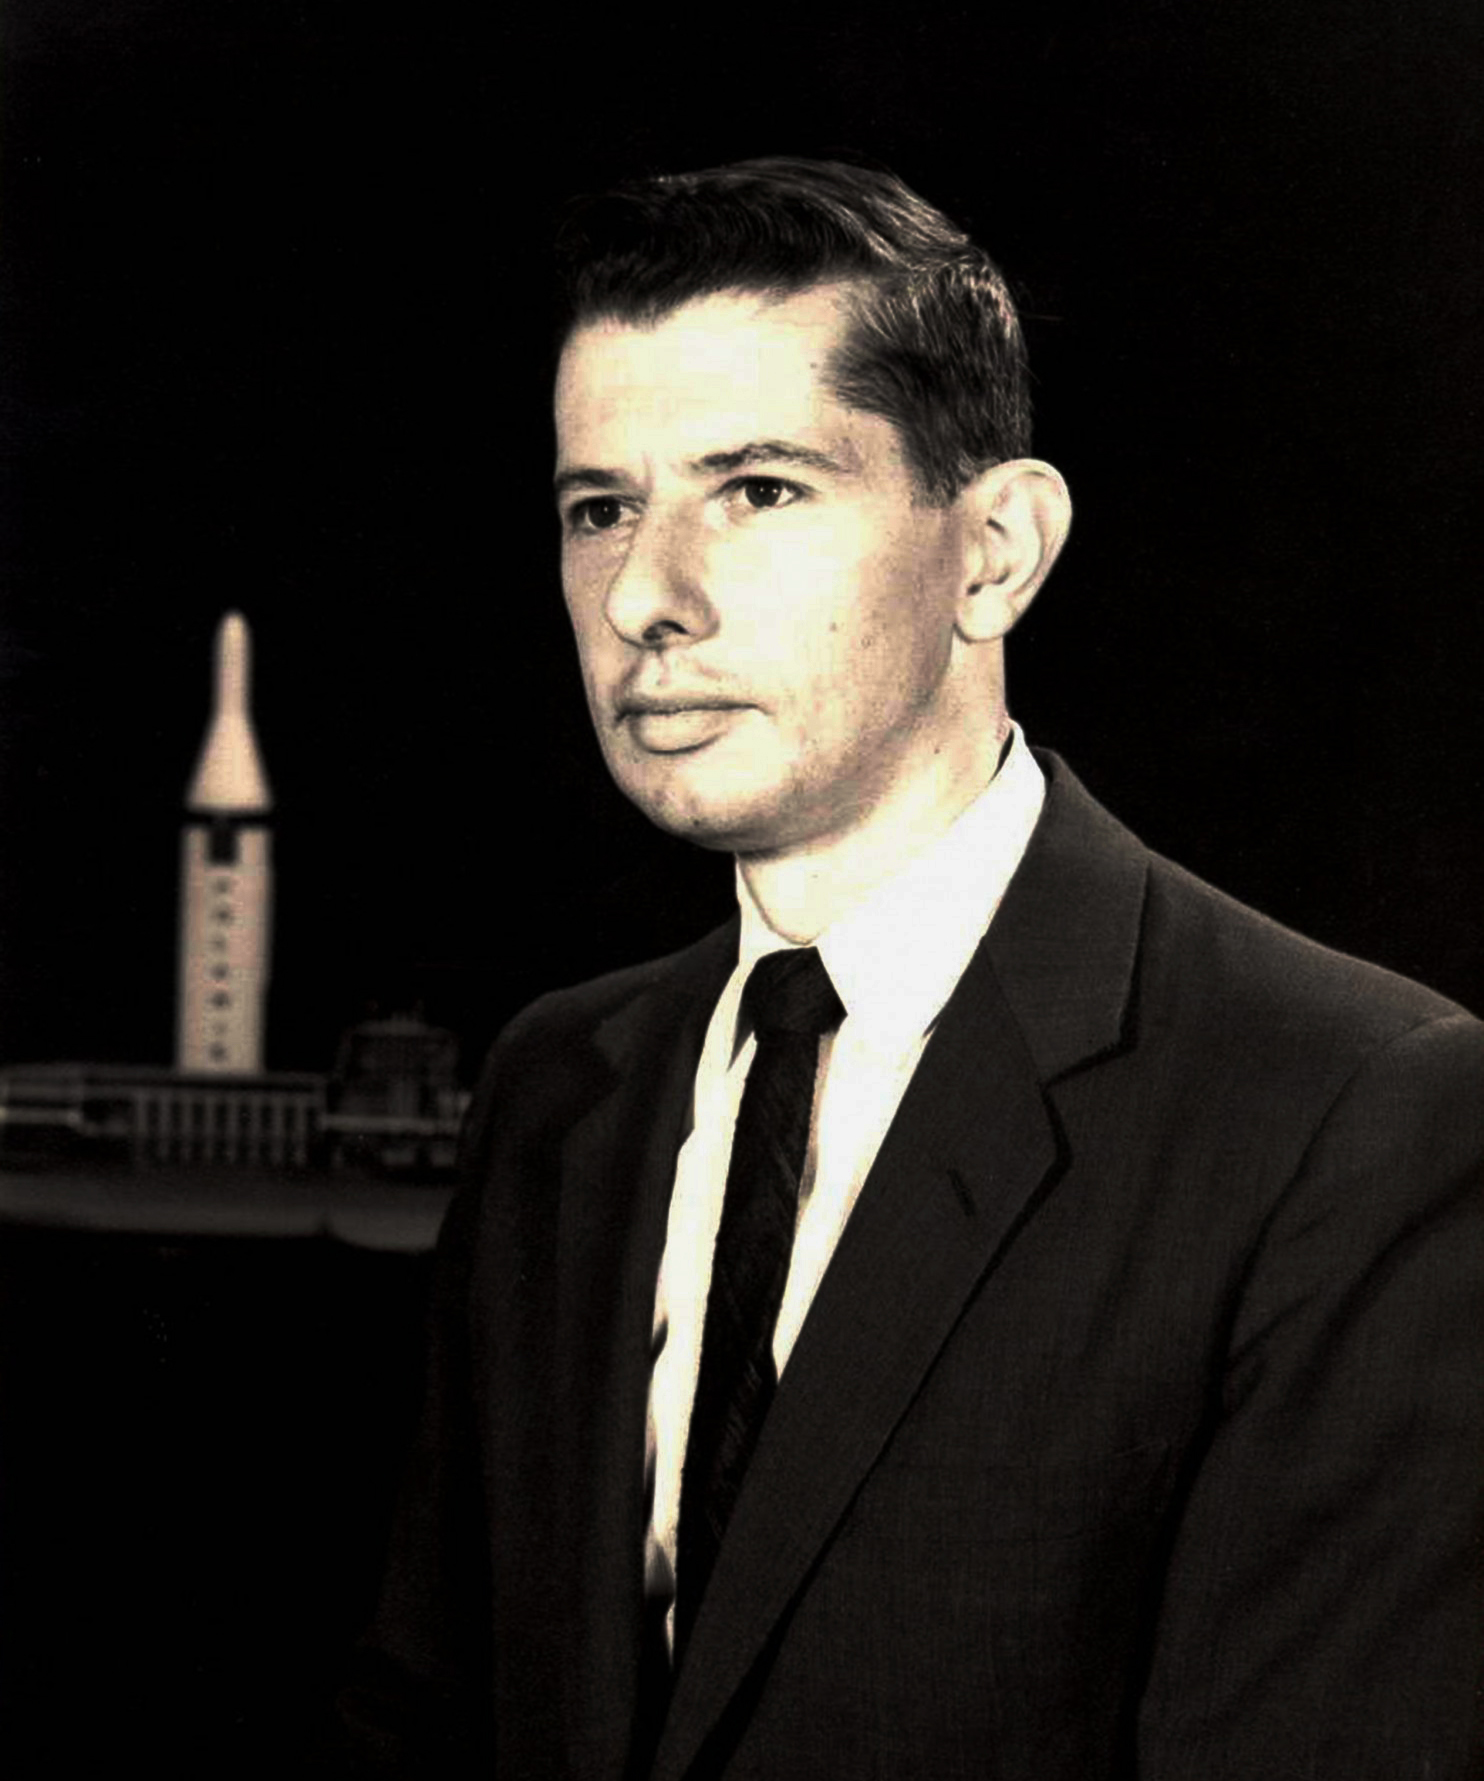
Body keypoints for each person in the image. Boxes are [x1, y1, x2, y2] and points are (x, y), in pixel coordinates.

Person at [338, 159, 1484, 1779]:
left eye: (760, 490)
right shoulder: (562, 1088)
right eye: (601, 507)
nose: (648, 598)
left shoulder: (1354, 1114)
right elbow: (426, 1715)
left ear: (996, 551)